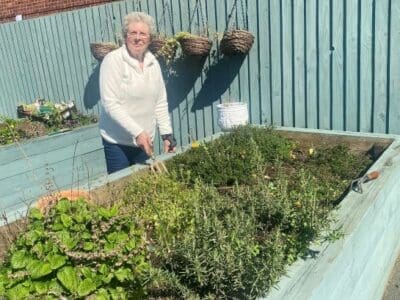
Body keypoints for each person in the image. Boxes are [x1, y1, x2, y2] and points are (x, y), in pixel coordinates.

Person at [99, 11, 176, 174]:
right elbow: (110, 104)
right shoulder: (113, 60)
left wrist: (167, 134)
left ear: (149, 38)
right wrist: (138, 132)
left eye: (143, 33)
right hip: (117, 142)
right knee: (120, 190)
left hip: (145, 141)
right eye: (133, 32)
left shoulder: (152, 63)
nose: (138, 37)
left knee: (145, 187)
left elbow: (160, 102)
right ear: (125, 36)